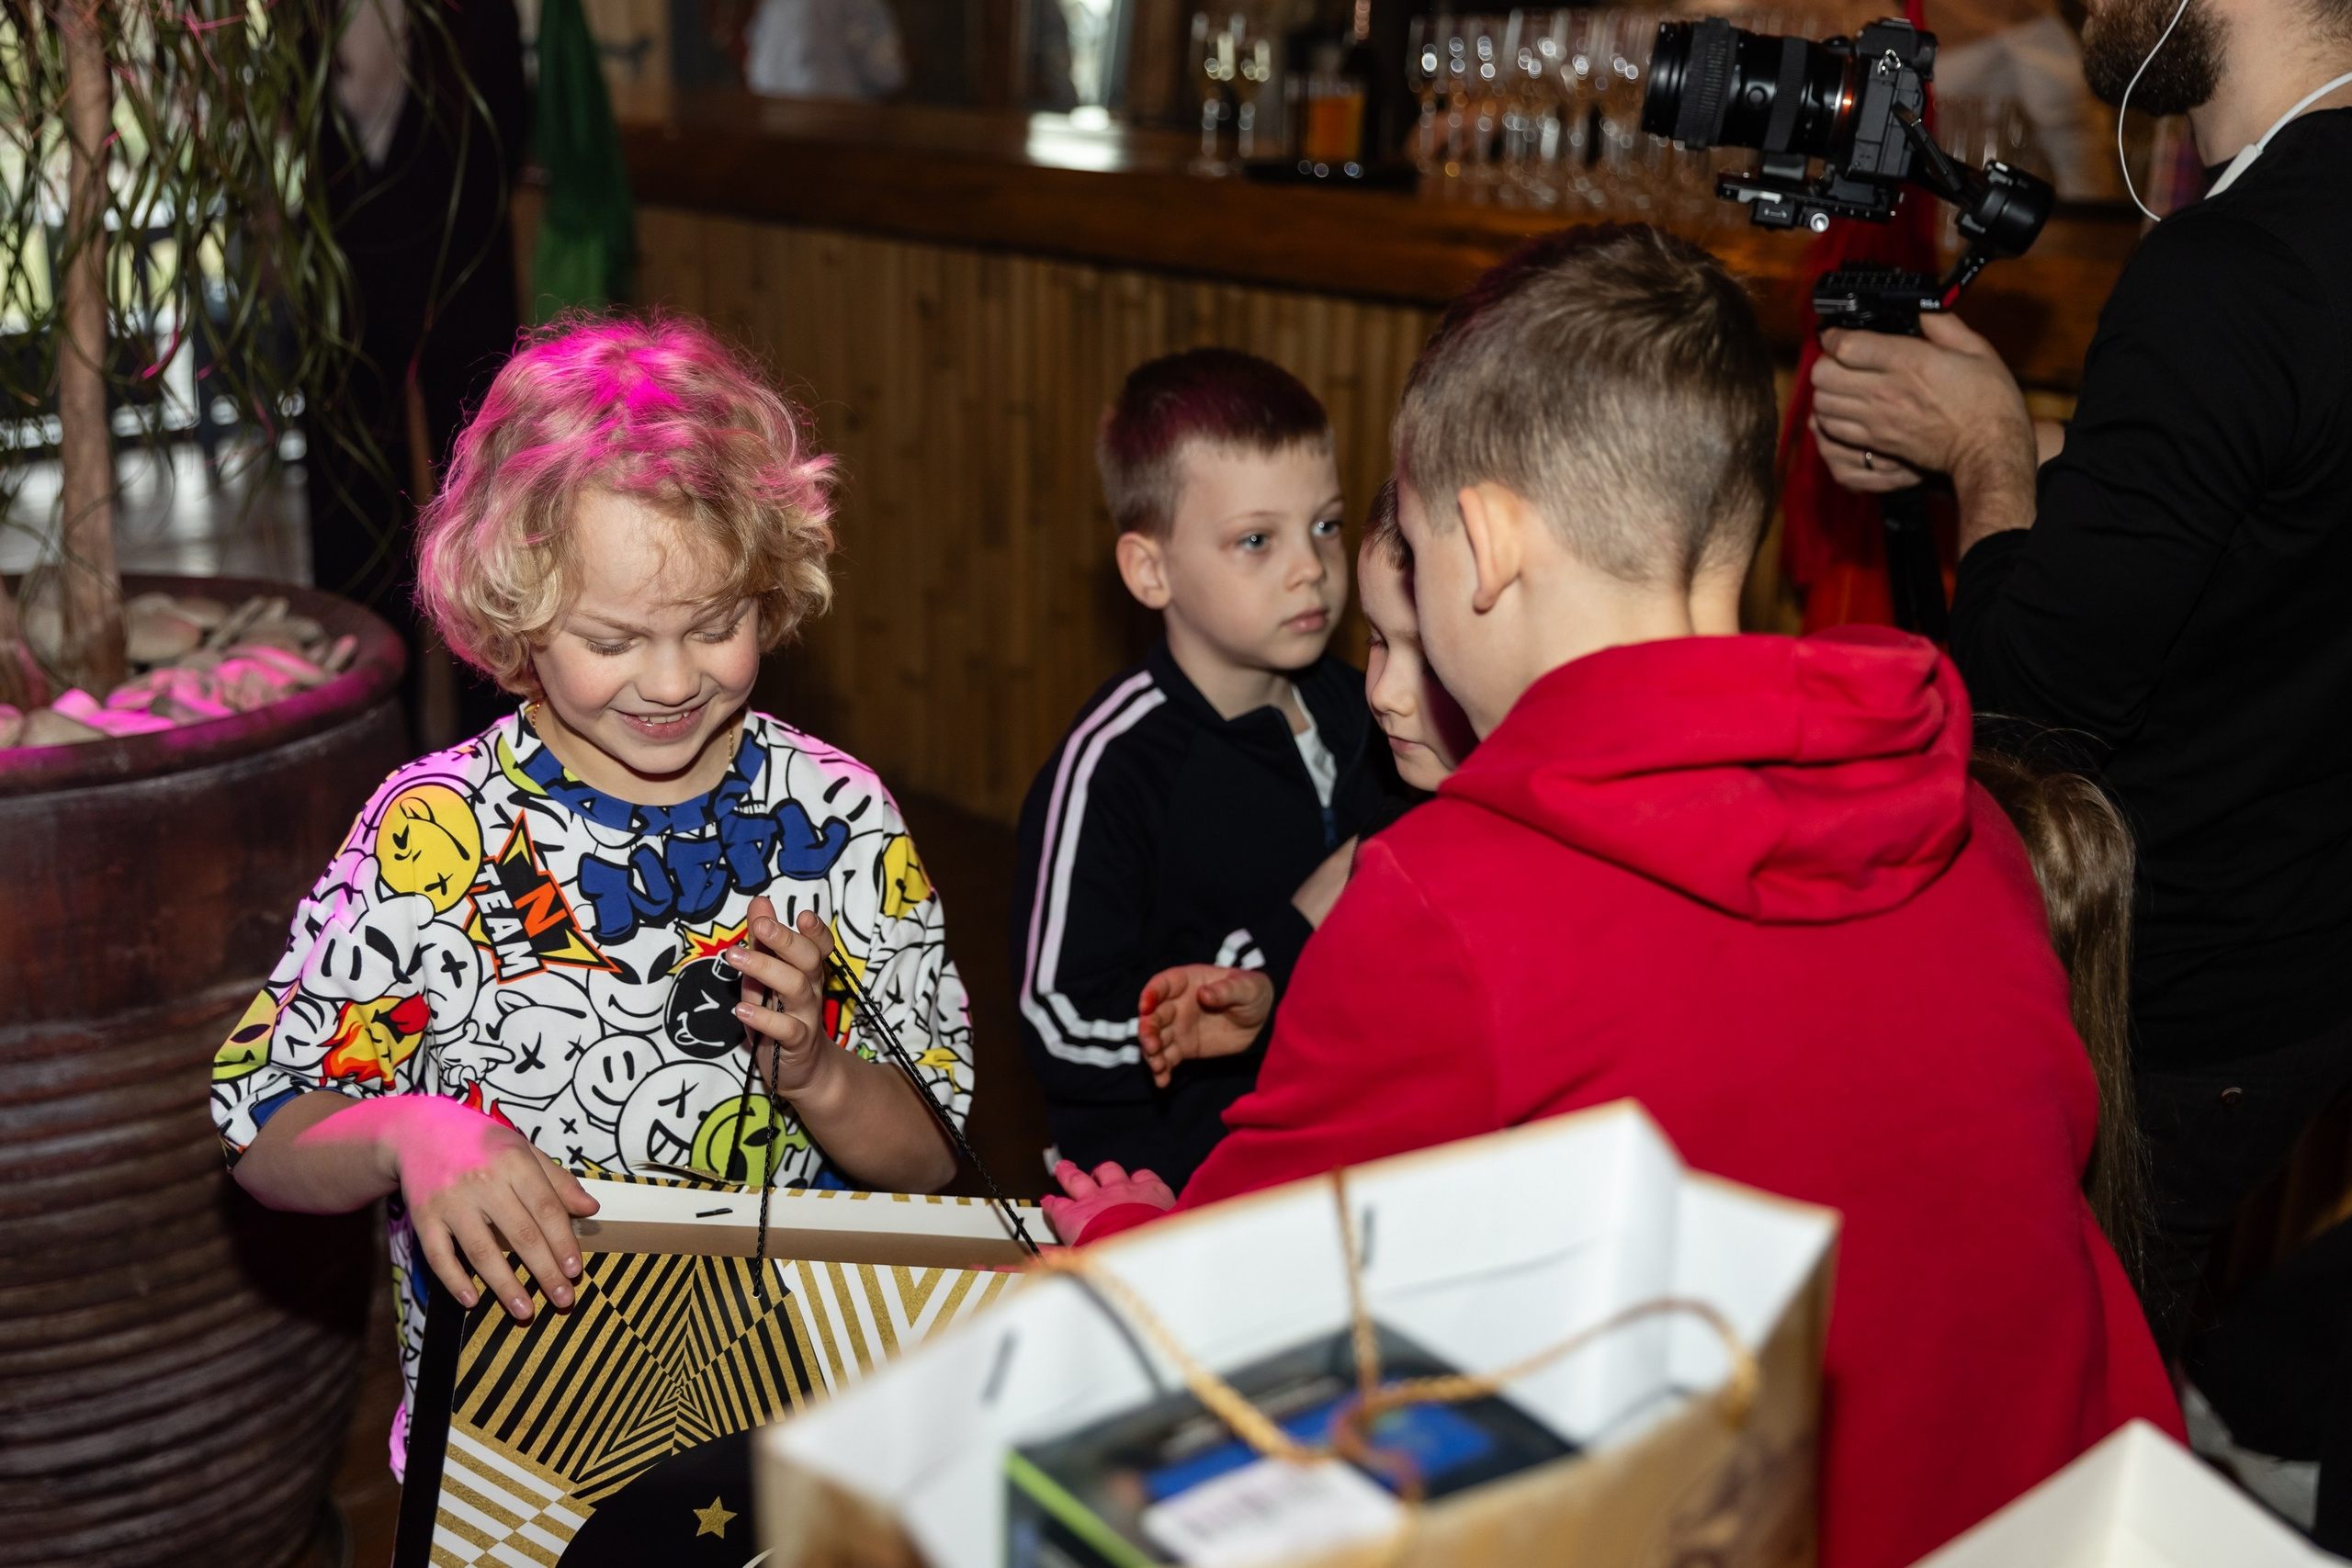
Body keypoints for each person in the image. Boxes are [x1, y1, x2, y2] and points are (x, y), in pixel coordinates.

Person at [1044, 226, 2180, 1568]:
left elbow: (1221, 1344)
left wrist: (1122, 1234)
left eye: (1403, 539)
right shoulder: (1968, 817)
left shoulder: (1450, 907)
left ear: (1481, 542)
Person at [210, 317, 972, 1474]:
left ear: (769, 589)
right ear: (512, 617)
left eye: (717, 625)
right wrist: (410, 1131)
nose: (672, 681)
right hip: (514, 1461)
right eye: (614, 639)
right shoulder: (436, 833)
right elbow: (264, 1128)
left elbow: (927, 1159)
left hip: (800, 1442)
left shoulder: (843, 818)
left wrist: (816, 1071)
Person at [1807, 0, 2352, 1348]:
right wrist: (2048, 447)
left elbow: (2029, 702)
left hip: (2161, 1001)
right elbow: (2271, 496)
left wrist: (1990, 453)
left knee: (2039, 1387)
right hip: (2304, 963)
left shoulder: (2228, 271)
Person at [1012, 348, 1396, 1194]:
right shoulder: (1110, 767)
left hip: (1318, 1158)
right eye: (1256, 539)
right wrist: (1260, 960)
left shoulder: (1367, 706)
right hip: (1167, 1185)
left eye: (1325, 525)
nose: (1310, 567)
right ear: (1151, 570)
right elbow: (1058, 1024)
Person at [1134, 478, 1476, 1089]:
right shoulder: (1400, 818)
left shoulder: (1484, 874)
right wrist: (1273, 996)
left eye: (1428, 654)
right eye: (1377, 641)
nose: (1385, 694)